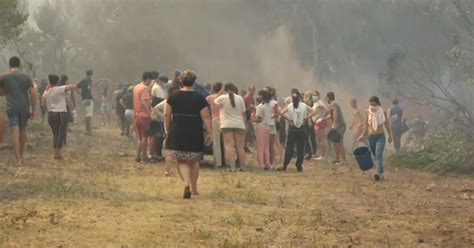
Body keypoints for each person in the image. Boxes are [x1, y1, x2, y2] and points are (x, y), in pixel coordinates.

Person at [165, 70, 211, 199]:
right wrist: (210, 132)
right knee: (194, 160)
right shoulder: (199, 97)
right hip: (194, 130)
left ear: (181, 81)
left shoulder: (173, 96)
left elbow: (167, 114)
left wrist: (168, 128)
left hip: (178, 129)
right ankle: (194, 188)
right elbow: (206, 116)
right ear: (194, 82)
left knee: (181, 160)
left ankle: (186, 183)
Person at [0, 56, 37, 165]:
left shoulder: (3, 77)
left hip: (12, 107)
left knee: (14, 132)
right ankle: (21, 156)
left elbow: (1, 92)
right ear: (19, 65)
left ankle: (18, 160)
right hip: (24, 107)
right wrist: (33, 110)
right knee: (23, 131)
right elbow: (33, 93)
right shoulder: (26, 77)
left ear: (9, 65)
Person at [278, 89, 315, 172]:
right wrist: (306, 118)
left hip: (292, 129)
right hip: (301, 129)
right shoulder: (304, 106)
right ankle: (299, 166)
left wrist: (289, 120)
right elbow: (313, 111)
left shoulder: (290, 105)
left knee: (289, 147)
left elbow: (281, 112)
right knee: (301, 148)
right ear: (299, 97)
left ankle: (285, 165)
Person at [42, 74, 77, 159]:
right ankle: (57, 153)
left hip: (50, 114)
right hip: (60, 113)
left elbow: (43, 104)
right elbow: (72, 87)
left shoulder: (46, 91)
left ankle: (56, 152)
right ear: (57, 81)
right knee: (60, 133)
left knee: (55, 133)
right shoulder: (59, 89)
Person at [359, 96, 392, 181]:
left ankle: (379, 174)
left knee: (378, 154)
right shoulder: (367, 112)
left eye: (374, 105)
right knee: (375, 155)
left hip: (380, 136)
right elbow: (366, 125)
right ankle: (381, 172)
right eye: (370, 105)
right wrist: (362, 135)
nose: (372, 107)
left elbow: (386, 124)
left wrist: (390, 135)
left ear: (377, 103)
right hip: (371, 137)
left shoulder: (382, 112)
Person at [215, 83, 247, 172]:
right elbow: (243, 113)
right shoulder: (240, 98)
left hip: (227, 124)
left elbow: (214, 101)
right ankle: (243, 166)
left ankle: (232, 167)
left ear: (225, 89)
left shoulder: (222, 98)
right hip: (239, 124)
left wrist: (220, 91)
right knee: (240, 147)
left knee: (229, 146)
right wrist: (245, 125)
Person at [133, 72, 153, 163]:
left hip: (137, 115)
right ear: (148, 79)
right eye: (150, 80)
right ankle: (143, 157)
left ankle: (137, 156)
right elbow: (145, 102)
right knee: (145, 137)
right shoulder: (145, 88)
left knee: (140, 138)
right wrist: (150, 113)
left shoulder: (136, 87)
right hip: (144, 116)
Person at [206, 82, 223, 169]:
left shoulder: (210, 97)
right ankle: (226, 162)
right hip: (224, 121)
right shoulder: (224, 98)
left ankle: (217, 163)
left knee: (216, 143)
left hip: (215, 121)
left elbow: (203, 102)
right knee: (226, 143)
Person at [254, 90, 273, 170]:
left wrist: (252, 120)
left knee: (260, 147)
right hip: (268, 127)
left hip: (261, 127)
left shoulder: (260, 106)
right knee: (266, 146)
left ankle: (261, 164)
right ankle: (267, 163)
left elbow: (259, 119)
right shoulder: (269, 105)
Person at [326, 92, 347, 164]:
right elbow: (331, 115)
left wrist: (334, 124)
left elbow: (335, 113)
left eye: (326, 97)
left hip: (340, 125)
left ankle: (344, 160)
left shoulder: (333, 104)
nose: (326, 99)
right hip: (338, 125)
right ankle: (337, 159)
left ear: (328, 97)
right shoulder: (333, 104)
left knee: (340, 142)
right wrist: (323, 119)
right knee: (336, 142)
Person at [312, 91, 330, 160]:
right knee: (318, 139)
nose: (314, 96)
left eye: (315, 95)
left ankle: (322, 155)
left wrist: (322, 117)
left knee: (321, 139)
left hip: (319, 122)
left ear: (318, 95)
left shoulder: (320, 102)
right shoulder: (315, 103)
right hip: (316, 122)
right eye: (313, 95)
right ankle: (321, 154)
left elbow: (327, 110)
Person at [76, 69, 94, 135]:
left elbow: (76, 87)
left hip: (84, 99)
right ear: (91, 74)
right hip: (89, 99)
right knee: (89, 116)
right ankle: (88, 131)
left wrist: (80, 94)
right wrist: (89, 92)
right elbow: (89, 88)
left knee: (87, 115)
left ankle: (87, 130)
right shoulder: (88, 80)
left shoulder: (82, 80)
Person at [303, 91, 317, 160]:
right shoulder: (310, 103)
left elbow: (308, 112)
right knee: (310, 137)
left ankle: (309, 152)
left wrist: (309, 121)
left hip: (307, 121)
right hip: (309, 120)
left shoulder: (307, 103)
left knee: (307, 137)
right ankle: (311, 152)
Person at [243, 85, 256, 153]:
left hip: (249, 117)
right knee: (246, 132)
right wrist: (249, 108)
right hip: (245, 117)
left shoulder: (252, 98)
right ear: (249, 90)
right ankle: (243, 146)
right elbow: (243, 109)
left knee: (249, 133)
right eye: (252, 89)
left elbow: (253, 107)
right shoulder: (246, 97)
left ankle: (245, 145)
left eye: (254, 90)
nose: (254, 91)